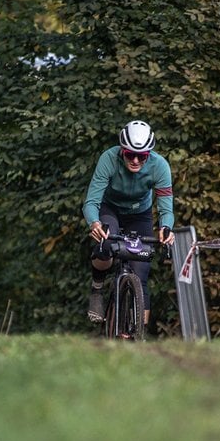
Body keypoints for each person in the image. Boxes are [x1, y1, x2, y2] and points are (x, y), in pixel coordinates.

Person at [83, 120, 175, 325]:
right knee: (105, 244)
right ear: (122, 151)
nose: (135, 160)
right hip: (110, 209)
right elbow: (91, 201)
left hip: (139, 214)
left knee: (141, 274)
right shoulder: (108, 158)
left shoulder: (160, 166)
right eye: (129, 154)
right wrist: (94, 224)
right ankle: (97, 289)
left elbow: (166, 208)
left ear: (149, 154)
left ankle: (138, 335)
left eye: (141, 156)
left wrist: (166, 228)